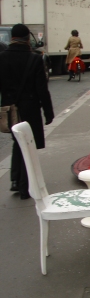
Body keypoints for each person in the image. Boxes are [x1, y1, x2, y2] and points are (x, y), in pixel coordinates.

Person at [0, 24, 54, 199]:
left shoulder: (2, 57)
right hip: (29, 107)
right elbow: (42, 89)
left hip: (10, 108)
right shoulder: (34, 59)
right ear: (26, 39)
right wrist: (48, 112)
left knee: (17, 141)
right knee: (28, 144)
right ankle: (25, 185)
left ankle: (15, 179)